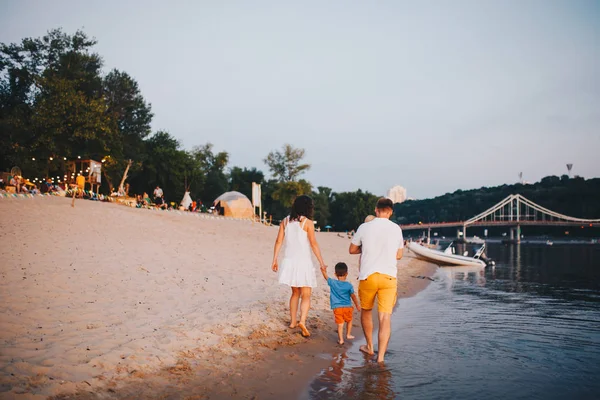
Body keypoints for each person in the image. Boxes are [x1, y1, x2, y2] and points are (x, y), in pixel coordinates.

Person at [349, 197, 404, 363]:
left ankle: (370, 347)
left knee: (366, 311)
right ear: (391, 212)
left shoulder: (365, 227)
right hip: (388, 278)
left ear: (376, 209)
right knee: (385, 317)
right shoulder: (396, 229)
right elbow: (399, 254)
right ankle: (380, 358)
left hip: (369, 276)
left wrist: (366, 249)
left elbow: (352, 249)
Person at [271, 195, 327, 337]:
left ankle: (292, 322)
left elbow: (278, 241)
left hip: (289, 262)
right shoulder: (307, 222)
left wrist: (275, 259)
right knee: (306, 295)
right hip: (304, 263)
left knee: (295, 293)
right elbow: (313, 244)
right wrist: (321, 262)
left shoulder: (285, 221)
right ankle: (302, 320)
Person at [320, 262, 360, 345]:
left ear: (335, 274)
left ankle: (341, 340)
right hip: (347, 307)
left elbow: (326, 277)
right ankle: (348, 334)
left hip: (337, 307)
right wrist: (357, 305)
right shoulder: (349, 285)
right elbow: (353, 296)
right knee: (349, 320)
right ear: (346, 274)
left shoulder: (333, 283)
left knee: (340, 324)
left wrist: (323, 270)